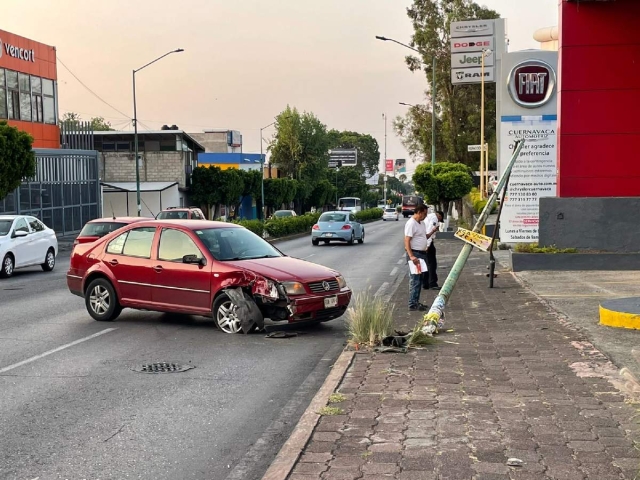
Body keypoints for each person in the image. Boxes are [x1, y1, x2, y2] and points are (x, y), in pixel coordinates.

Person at [404, 204, 438, 311]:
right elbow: (407, 241)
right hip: (415, 254)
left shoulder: (422, 223)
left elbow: (424, 236)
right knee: (415, 280)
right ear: (419, 212)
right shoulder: (411, 223)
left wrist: (432, 231)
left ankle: (416, 301)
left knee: (420, 279)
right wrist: (411, 256)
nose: (425, 216)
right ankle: (412, 303)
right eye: (424, 213)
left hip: (422, 254)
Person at [423, 209, 444, 291]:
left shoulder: (429, 216)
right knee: (432, 264)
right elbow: (430, 231)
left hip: (425, 242)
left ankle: (425, 283)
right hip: (428, 242)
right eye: (440, 219)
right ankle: (432, 283)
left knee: (426, 263)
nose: (439, 221)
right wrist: (427, 245)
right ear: (439, 216)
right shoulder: (434, 219)